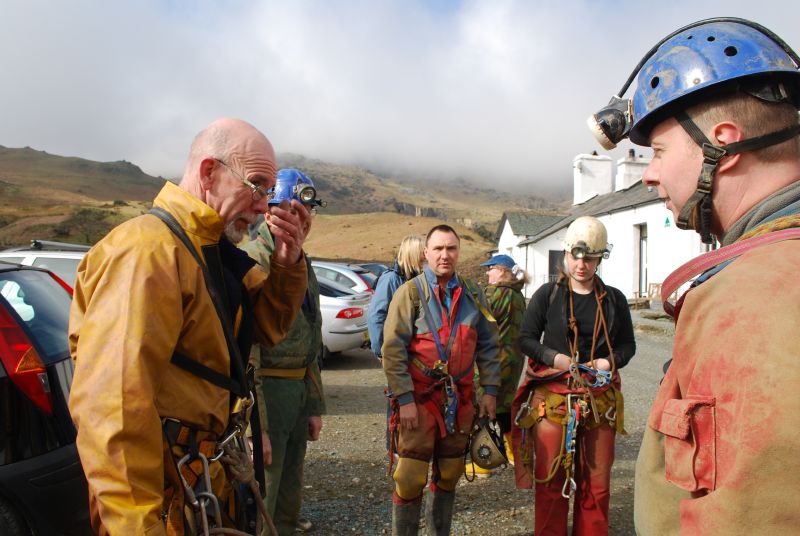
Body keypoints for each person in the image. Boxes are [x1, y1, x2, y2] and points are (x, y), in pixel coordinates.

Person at [587, 17, 800, 534]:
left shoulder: (755, 297)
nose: (650, 173)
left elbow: (745, 513)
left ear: (721, 144)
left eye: (658, 152)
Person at [68, 118, 310, 535]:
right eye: (255, 185)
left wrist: (287, 263)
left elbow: (268, 329)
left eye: (268, 192)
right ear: (208, 173)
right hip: (164, 503)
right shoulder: (147, 252)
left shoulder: (214, 249)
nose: (263, 205)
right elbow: (114, 413)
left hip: (205, 484)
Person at [512, 216, 635, 536]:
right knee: (550, 481)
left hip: (599, 402)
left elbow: (628, 345)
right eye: (575, 256)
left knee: (596, 485)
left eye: (590, 258)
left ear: (599, 259)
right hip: (553, 400)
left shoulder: (615, 301)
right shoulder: (546, 295)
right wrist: (553, 357)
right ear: (566, 254)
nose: (581, 264)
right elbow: (524, 339)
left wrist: (608, 362)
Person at [382, 224, 500, 535]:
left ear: (458, 252)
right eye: (438, 248)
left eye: (451, 248)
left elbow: (488, 345)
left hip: (459, 401)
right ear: (426, 254)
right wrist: (403, 398)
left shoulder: (474, 294)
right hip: (418, 400)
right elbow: (392, 349)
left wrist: (490, 390)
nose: (444, 255)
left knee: (449, 473)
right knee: (409, 477)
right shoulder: (409, 294)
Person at [241, 168, 325, 536]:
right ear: (267, 210)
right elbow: (246, 351)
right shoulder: (250, 260)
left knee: (289, 497)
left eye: (301, 212)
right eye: (286, 210)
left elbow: (312, 337)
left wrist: (313, 406)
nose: (296, 218)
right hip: (266, 397)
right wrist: (251, 426)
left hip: (296, 393)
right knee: (263, 498)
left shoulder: (301, 262)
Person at [468, 253, 527, 477]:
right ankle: (514, 454)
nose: (487, 272)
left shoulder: (500, 293)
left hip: (496, 361)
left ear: (502, 270)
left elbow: (479, 319)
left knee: (485, 406)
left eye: (490, 268)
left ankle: (484, 462)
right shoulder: (517, 294)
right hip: (512, 361)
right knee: (503, 408)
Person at [367, 234, 425, 362]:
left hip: (410, 350)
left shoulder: (416, 279)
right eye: (421, 252)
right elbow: (376, 315)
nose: (425, 256)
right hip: (394, 351)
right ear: (412, 253)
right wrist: (381, 351)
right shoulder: (391, 279)